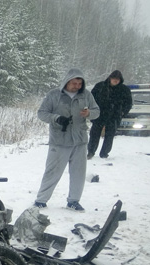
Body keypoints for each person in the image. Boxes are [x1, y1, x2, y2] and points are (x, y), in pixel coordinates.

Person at [34, 68, 100, 211]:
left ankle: (73, 201)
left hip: (80, 140)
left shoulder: (86, 95)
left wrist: (89, 113)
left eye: (79, 83)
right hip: (59, 140)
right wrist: (56, 118)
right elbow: (42, 113)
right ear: (66, 81)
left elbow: (97, 111)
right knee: (52, 172)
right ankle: (41, 200)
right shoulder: (54, 95)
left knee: (78, 173)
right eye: (74, 83)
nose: (77, 86)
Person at [87, 70, 132, 159]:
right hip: (99, 115)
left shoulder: (124, 90)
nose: (115, 80)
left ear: (120, 80)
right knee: (94, 135)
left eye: (117, 79)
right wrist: (92, 112)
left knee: (109, 136)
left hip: (114, 117)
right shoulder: (100, 86)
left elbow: (128, 103)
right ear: (110, 78)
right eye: (114, 78)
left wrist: (122, 113)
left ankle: (104, 153)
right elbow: (90, 99)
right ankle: (91, 152)